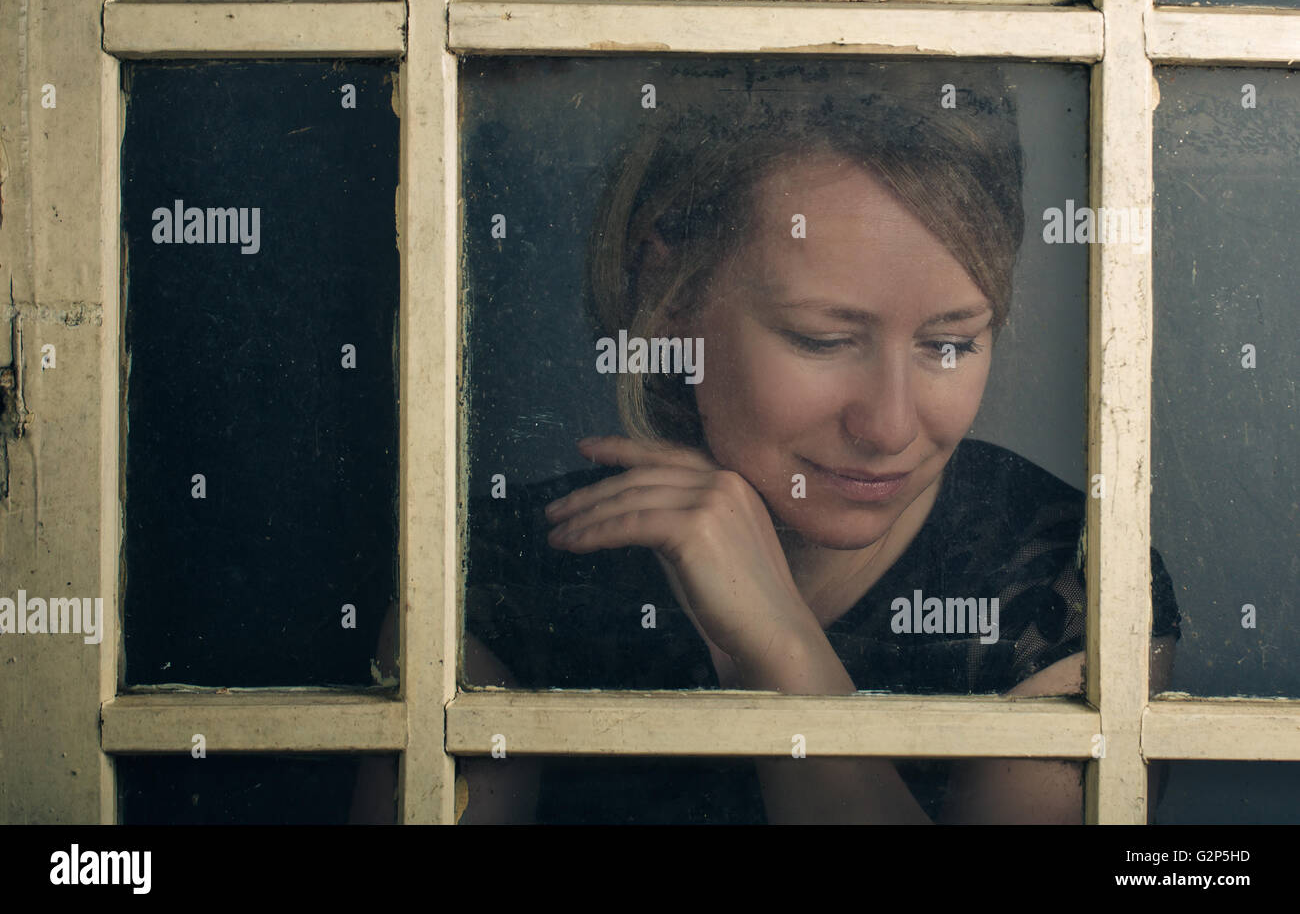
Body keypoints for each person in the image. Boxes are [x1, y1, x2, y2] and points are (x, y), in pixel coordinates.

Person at [354, 62, 1181, 824]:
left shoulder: (1067, 577)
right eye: (822, 340)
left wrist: (784, 651)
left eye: (950, 343)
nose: (890, 427)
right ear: (667, 290)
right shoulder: (498, 576)